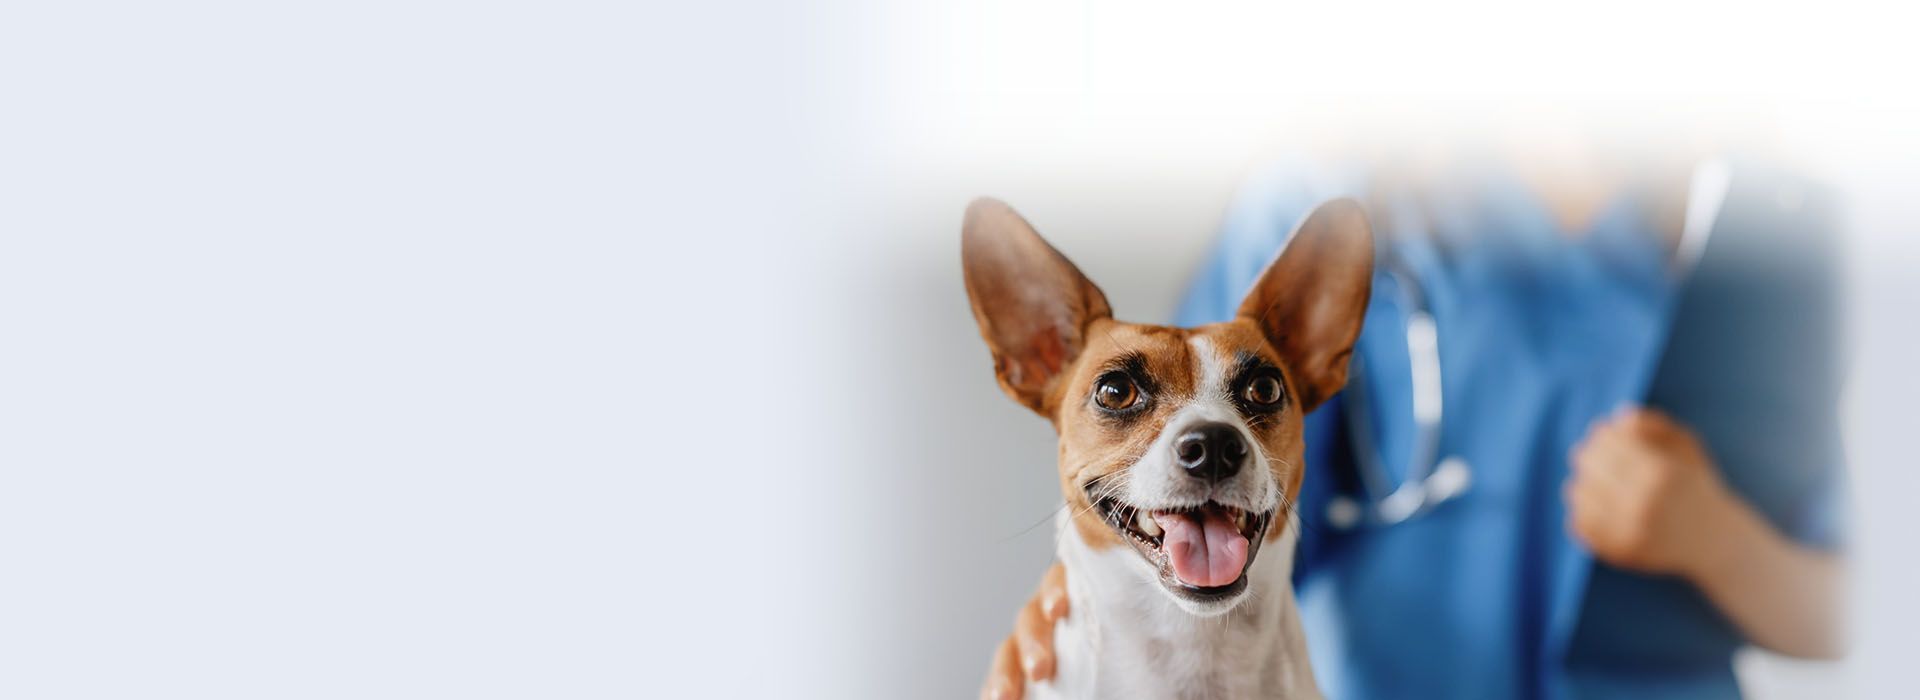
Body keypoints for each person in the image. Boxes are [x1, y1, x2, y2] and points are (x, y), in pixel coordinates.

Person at [980, 146, 1847, 700]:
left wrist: (1720, 540)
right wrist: (1069, 625)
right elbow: (1177, 501)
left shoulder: (1786, 246)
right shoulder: (1325, 190)